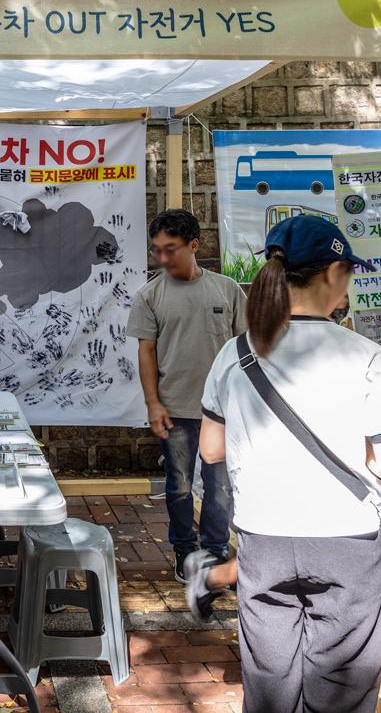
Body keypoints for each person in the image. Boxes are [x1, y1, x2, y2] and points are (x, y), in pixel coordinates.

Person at [187, 215, 381, 712]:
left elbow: (210, 449)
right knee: (341, 685)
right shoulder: (366, 356)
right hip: (347, 540)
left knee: (269, 682)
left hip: (262, 537)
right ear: (334, 272)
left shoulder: (235, 353)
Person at [125, 208, 246, 582]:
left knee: (220, 485)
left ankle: (214, 553)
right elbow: (146, 351)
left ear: (195, 244)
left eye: (171, 249)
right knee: (178, 486)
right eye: (158, 250)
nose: (163, 258)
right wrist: (152, 403)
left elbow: (246, 348)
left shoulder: (227, 289)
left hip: (223, 410)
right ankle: (183, 550)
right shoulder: (150, 294)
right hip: (175, 407)